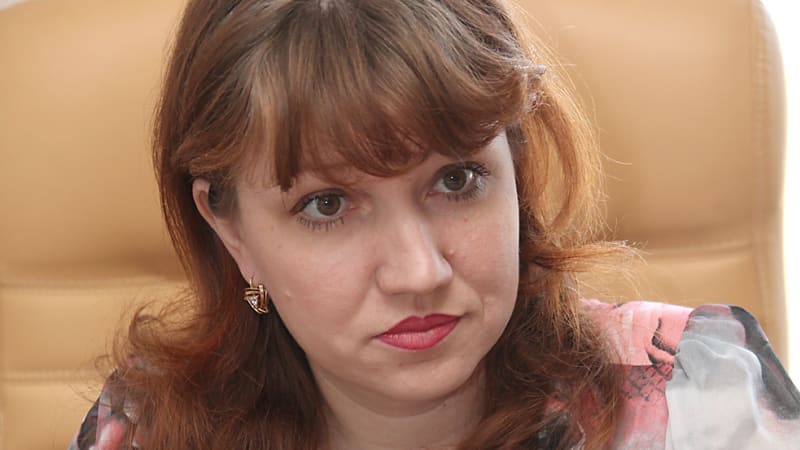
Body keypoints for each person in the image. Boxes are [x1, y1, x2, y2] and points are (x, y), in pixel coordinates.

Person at [69, 0, 800, 449]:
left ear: (516, 168)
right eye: (327, 205)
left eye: (456, 181)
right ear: (231, 231)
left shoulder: (694, 403)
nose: (419, 272)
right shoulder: (146, 433)